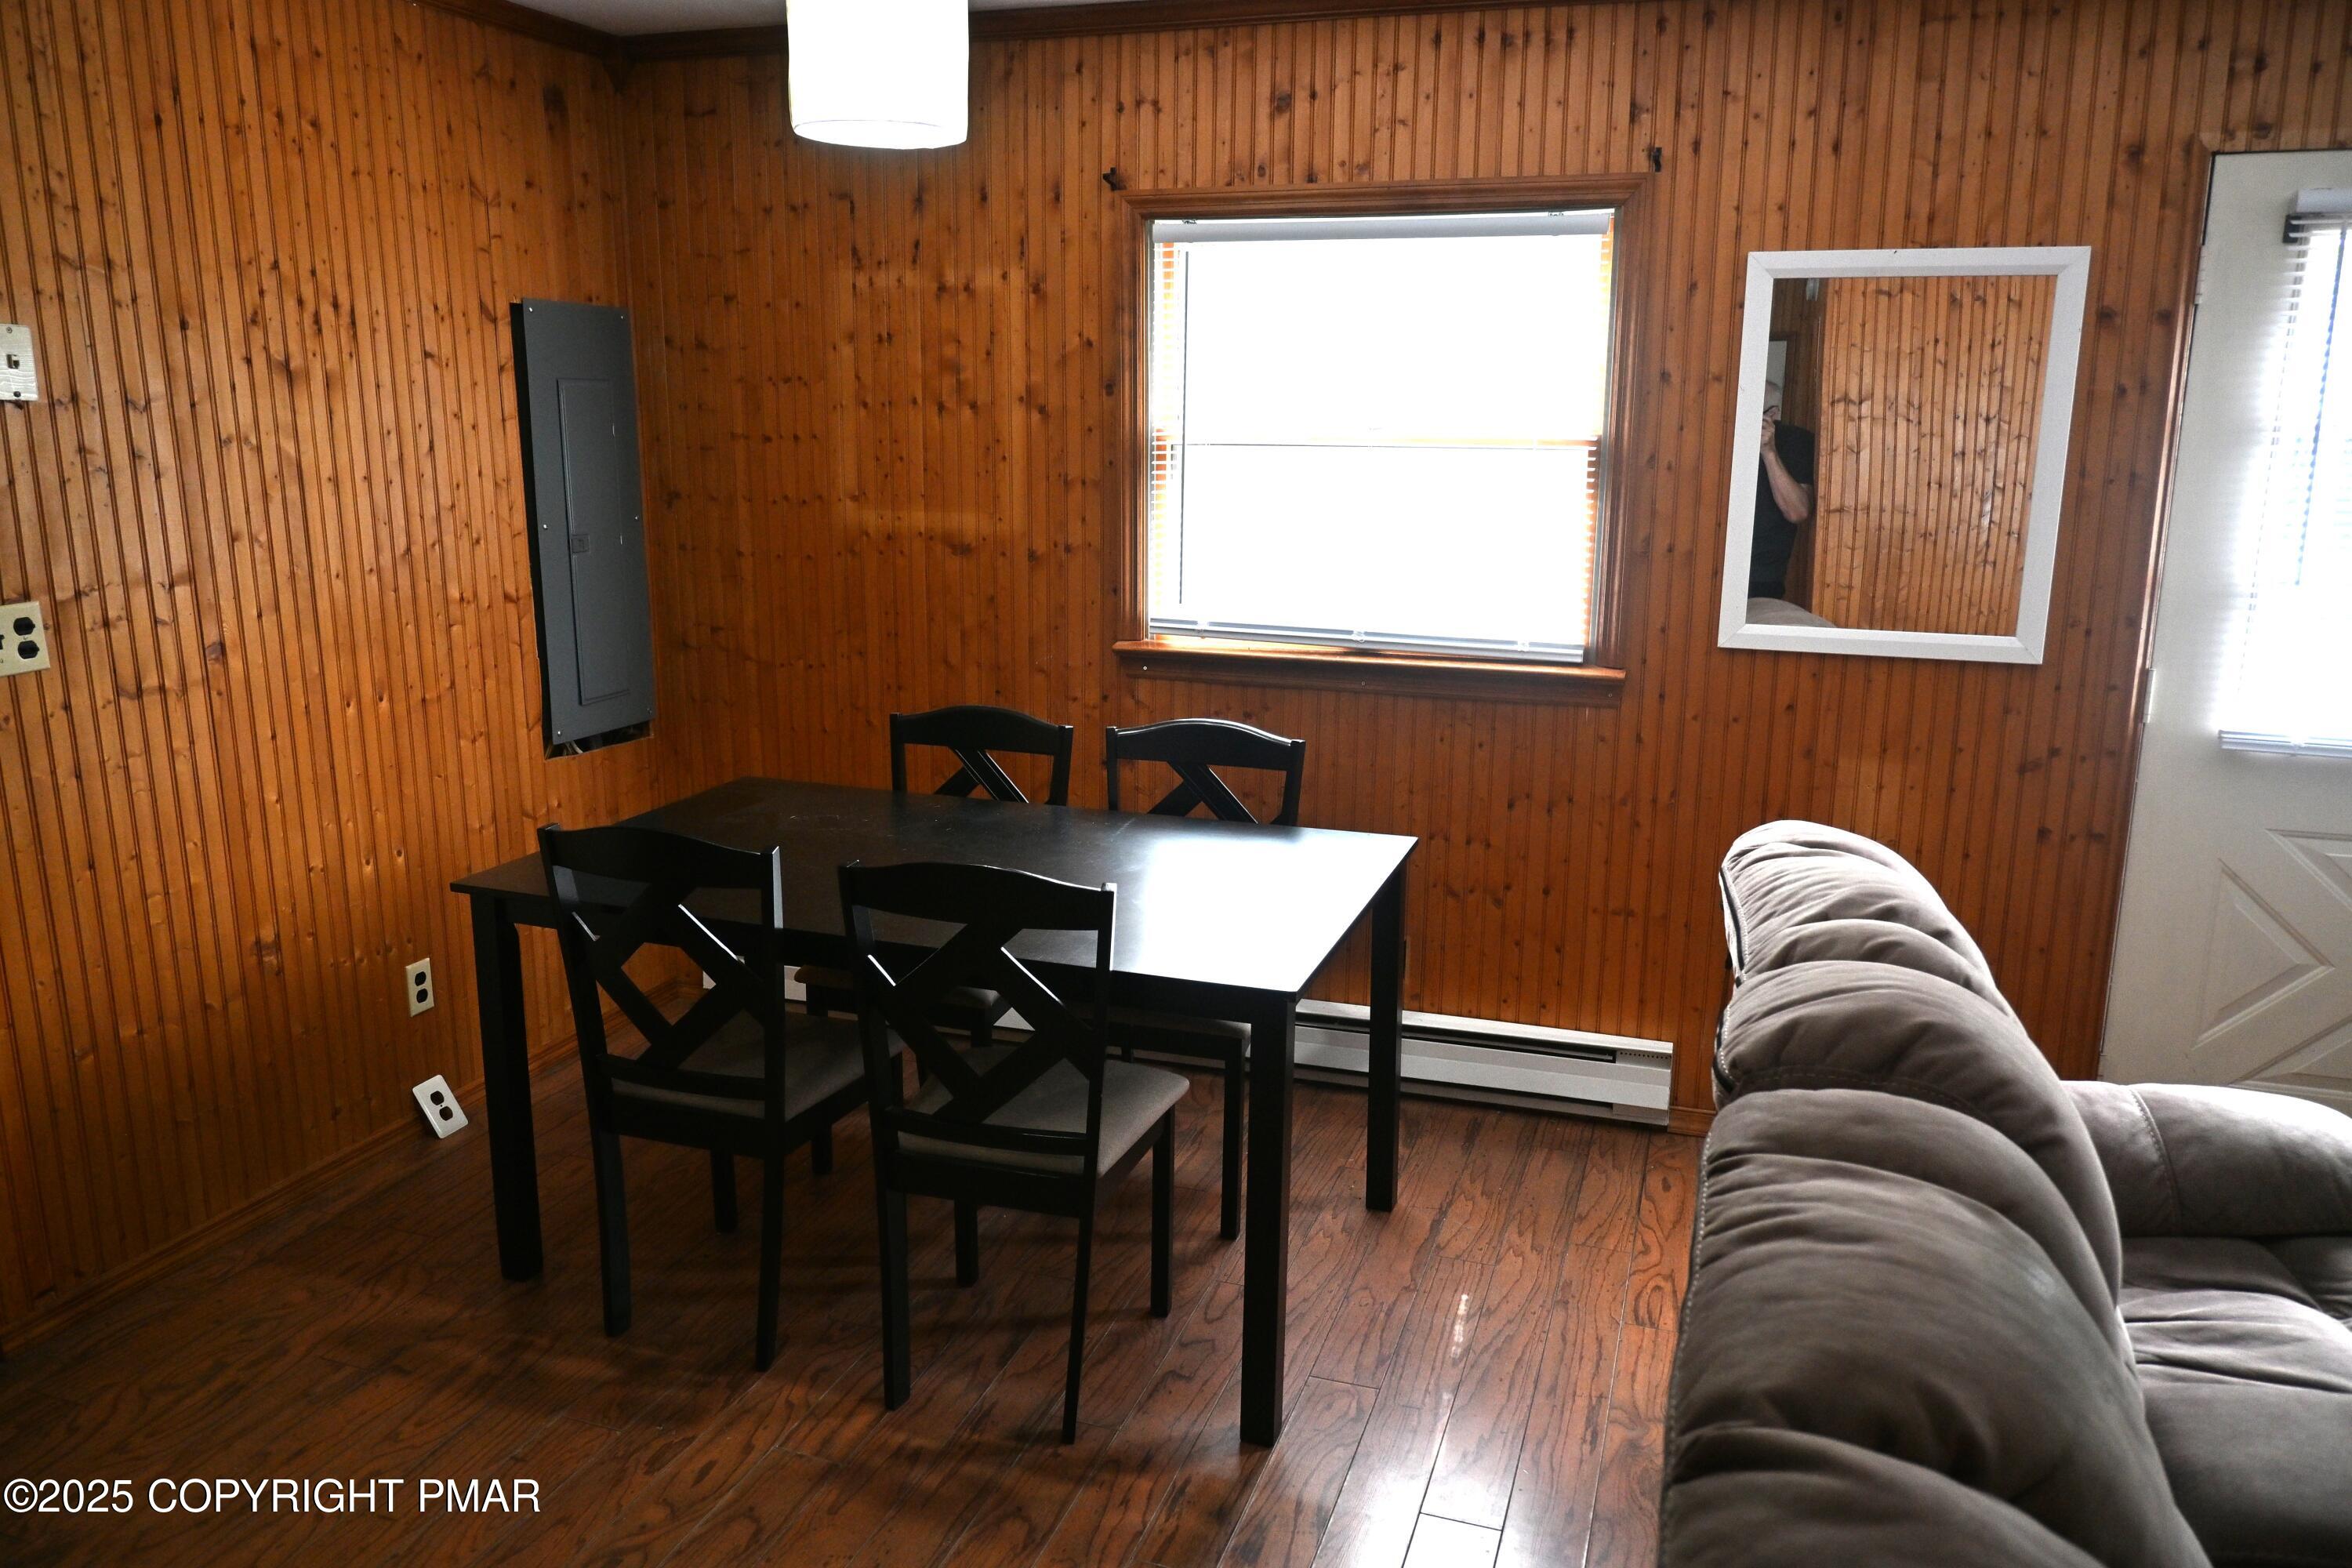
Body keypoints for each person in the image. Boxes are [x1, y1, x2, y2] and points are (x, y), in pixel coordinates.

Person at [1749, 382, 1817, 601]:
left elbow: (1798, 512)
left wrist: (1768, 452)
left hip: (1761, 576)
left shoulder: (1794, 442)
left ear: (1773, 414)